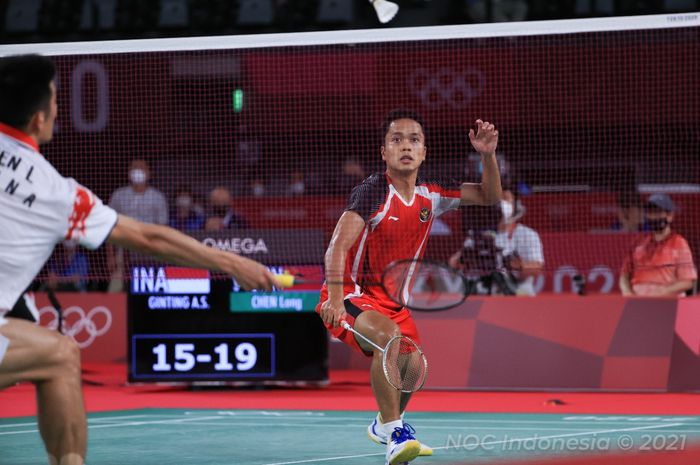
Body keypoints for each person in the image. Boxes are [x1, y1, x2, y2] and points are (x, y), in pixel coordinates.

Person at [0, 54, 278, 465]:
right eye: (55, 100)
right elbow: (146, 236)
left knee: (36, 341)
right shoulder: (55, 192)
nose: (58, 108)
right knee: (60, 355)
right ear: (40, 119)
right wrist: (231, 262)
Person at [317, 109, 501, 465]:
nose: (406, 146)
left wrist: (487, 155)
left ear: (424, 151)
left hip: (394, 305)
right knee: (388, 341)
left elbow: (489, 196)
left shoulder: (431, 193)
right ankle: (397, 434)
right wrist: (337, 301)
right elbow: (338, 246)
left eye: (414, 140)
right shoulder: (372, 191)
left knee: (412, 366)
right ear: (384, 152)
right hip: (352, 295)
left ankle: (383, 424)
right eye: (396, 140)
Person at [106, 158, 169, 290]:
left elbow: (163, 229)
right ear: (129, 172)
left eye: (142, 168)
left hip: (150, 250)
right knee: (115, 290)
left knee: (148, 289)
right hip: (123, 252)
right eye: (134, 167)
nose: (137, 171)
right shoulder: (119, 195)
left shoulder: (157, 197)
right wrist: (110, 256)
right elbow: (109, 226)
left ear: (149, 173)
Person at [619, 193, 697, 297]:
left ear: (670, 216)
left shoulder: (679, 243)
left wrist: (662, 292)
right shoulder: (638, 242)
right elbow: (624, 275)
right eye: (650, 212)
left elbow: (687, 282)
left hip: (667, 302)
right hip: (637, 302)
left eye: (658, 212)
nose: (653, 216)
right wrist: (627, 292)